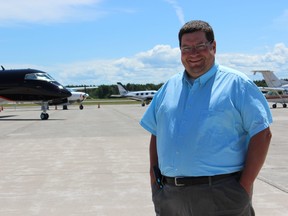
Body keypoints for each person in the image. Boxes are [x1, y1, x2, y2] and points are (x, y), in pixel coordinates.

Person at [140, 20, 272, 216]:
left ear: (214, 46)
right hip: (170, 196)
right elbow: (156, 133)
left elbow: (263, 134)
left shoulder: (237, 84)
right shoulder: (168, 87)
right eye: (186, 48)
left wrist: (243, 187)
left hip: (222, 195)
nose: (193, 53)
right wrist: (155, 180)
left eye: (200, 46)